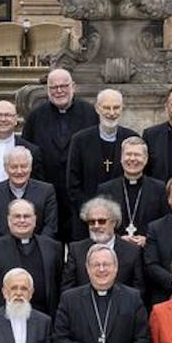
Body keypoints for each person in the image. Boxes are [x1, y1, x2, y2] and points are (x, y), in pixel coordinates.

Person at [24, 67, 97, 237]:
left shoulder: (90, 113)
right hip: (47, 194)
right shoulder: (36, 116)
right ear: (47, 90)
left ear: (73, 87)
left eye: (64, 86)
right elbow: (28, 152)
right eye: (54, 87)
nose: (59, 91)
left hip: (80, 194)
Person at [65, 88, 137, 236]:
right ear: (97, 109)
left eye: (116, 107)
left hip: (123, 219)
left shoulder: (131, 138)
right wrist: (92, 212)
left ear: (122, 108)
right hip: (89, 221)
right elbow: (73, 183)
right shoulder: (80, 140)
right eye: (106, 107)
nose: (111, 112)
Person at [0, 199, 63, 318]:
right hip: (5, 321)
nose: (22, 220)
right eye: (17, 216)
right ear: (9, 220)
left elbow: (59, 288)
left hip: (45, 321)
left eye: (26, 216)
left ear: (35, 219)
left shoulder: (53, 247)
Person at [64, 197, 146, 296]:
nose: (96, 226)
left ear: (114, 222)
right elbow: (67, 289)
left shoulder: (132, 251)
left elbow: (139, 290)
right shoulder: (76, 250)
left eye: (102, 221)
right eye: (91, 222)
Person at [0, 145, 59, 242]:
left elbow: (50, 227)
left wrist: (36, 248)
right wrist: (1, 249)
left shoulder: (46, 191)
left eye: (24, 166)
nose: (19, 171)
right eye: (14, 167)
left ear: (30, 167)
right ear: (6, 168)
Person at [94, 136, 168, 242]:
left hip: (149, 252)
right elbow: (100, 224)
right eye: (128, 154)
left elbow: (165, 224)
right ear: (121, 158)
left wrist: (148, 239)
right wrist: (117, 239)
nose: (132, 159)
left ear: (146, 159)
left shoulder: (160, 189)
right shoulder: (105, 190)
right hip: (116, 252)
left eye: (137, 155)